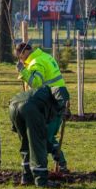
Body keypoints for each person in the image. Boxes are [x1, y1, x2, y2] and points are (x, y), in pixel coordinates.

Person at [15, 42, 69, 173]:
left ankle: (59, 165)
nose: (20, 60)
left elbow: (36, 83)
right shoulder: (45, 56)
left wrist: (22, 71)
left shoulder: (36, 62)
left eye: (20, 57)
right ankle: (61, 165)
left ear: (24, 52)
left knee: (44, 137)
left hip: (50, 101)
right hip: (58, 98)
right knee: (47, 135)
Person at [8, 86, 61, 187]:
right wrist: (54, 148)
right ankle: (41, 180)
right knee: (37, 145)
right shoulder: (52, 103)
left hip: (13, 105)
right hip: (29, 108)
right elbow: (42, 137)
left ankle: (26, 177)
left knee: (26, 143)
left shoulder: (40, 93)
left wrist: (52, 148)